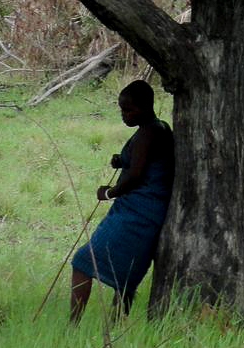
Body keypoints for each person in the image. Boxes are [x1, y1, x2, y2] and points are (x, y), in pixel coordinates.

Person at [69, 80, 175, 323]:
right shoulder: (159, 128)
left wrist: (109, 192)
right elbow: (146, 163)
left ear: (147, 106)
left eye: (129, 110)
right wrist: (122, 161)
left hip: (137, 212)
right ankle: (117, 329)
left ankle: (73, 325)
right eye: (122, 110)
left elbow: (137, 175)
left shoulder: (147, 133)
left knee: (83, 261)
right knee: (126, 276)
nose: (124, 115)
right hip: (149, 211)